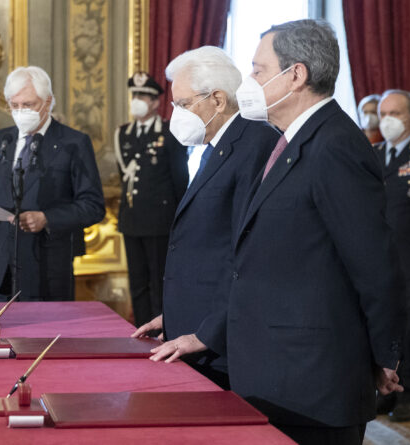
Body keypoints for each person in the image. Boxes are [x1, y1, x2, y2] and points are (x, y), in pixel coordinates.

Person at [195, 20, 403, 444]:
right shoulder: (290, 140)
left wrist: (385, 357)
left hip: (314, 386)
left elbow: (373, 265)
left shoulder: (336, 145)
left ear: (296, 74)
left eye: (257, 69)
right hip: (277, 375)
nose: (249, 80)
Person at [132, 46, 277, 390]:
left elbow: (249, 259)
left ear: (217, 100)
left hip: (224, 345)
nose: (176, 114)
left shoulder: (255, 146)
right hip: (199, 329)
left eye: (183, 105)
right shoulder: (217, 147)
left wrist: (207, 332)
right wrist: (177, 314)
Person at [0, 66, 105, 301]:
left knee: (43, 337)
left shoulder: (74, 142)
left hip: (47, 269)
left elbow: (93, 206)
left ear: (48, 101)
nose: (20, 111)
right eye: (14, 105)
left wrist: (47, 218)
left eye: (28, 104)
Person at [114, 72, 188, 328]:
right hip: (131, 219)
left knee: (158, 281)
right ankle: (141, 329)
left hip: (160, 221)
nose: (137, 100)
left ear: (156, 102)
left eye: (143, 96)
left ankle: (161, 328)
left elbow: (180, 178)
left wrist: (181, 220)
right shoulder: (123, 134)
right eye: (135, 96)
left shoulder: (170, 132)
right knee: (137, 282)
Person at [374, 89, 410, 422]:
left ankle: (409, 394)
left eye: (395, 113)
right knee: (381, 324)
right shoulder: (373, 153)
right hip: (376, 257)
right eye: (383, 113)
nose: (387, 120)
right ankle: (385, 390)